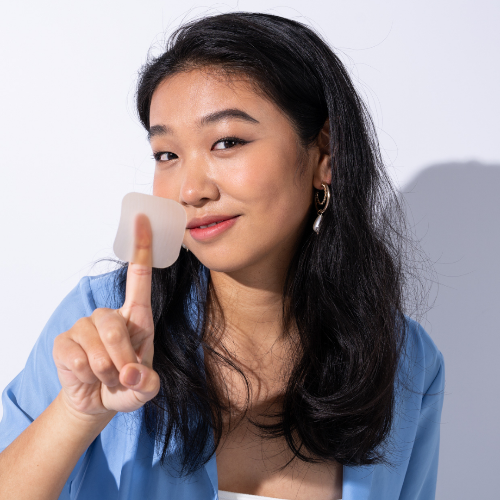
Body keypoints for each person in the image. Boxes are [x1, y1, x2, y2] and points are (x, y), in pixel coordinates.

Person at [0, 12, 444, 500]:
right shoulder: (103, 322)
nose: (189, 190)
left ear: (325, 155)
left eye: (227, 142)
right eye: (166, 154)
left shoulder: (404, 360)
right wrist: (78, 413)